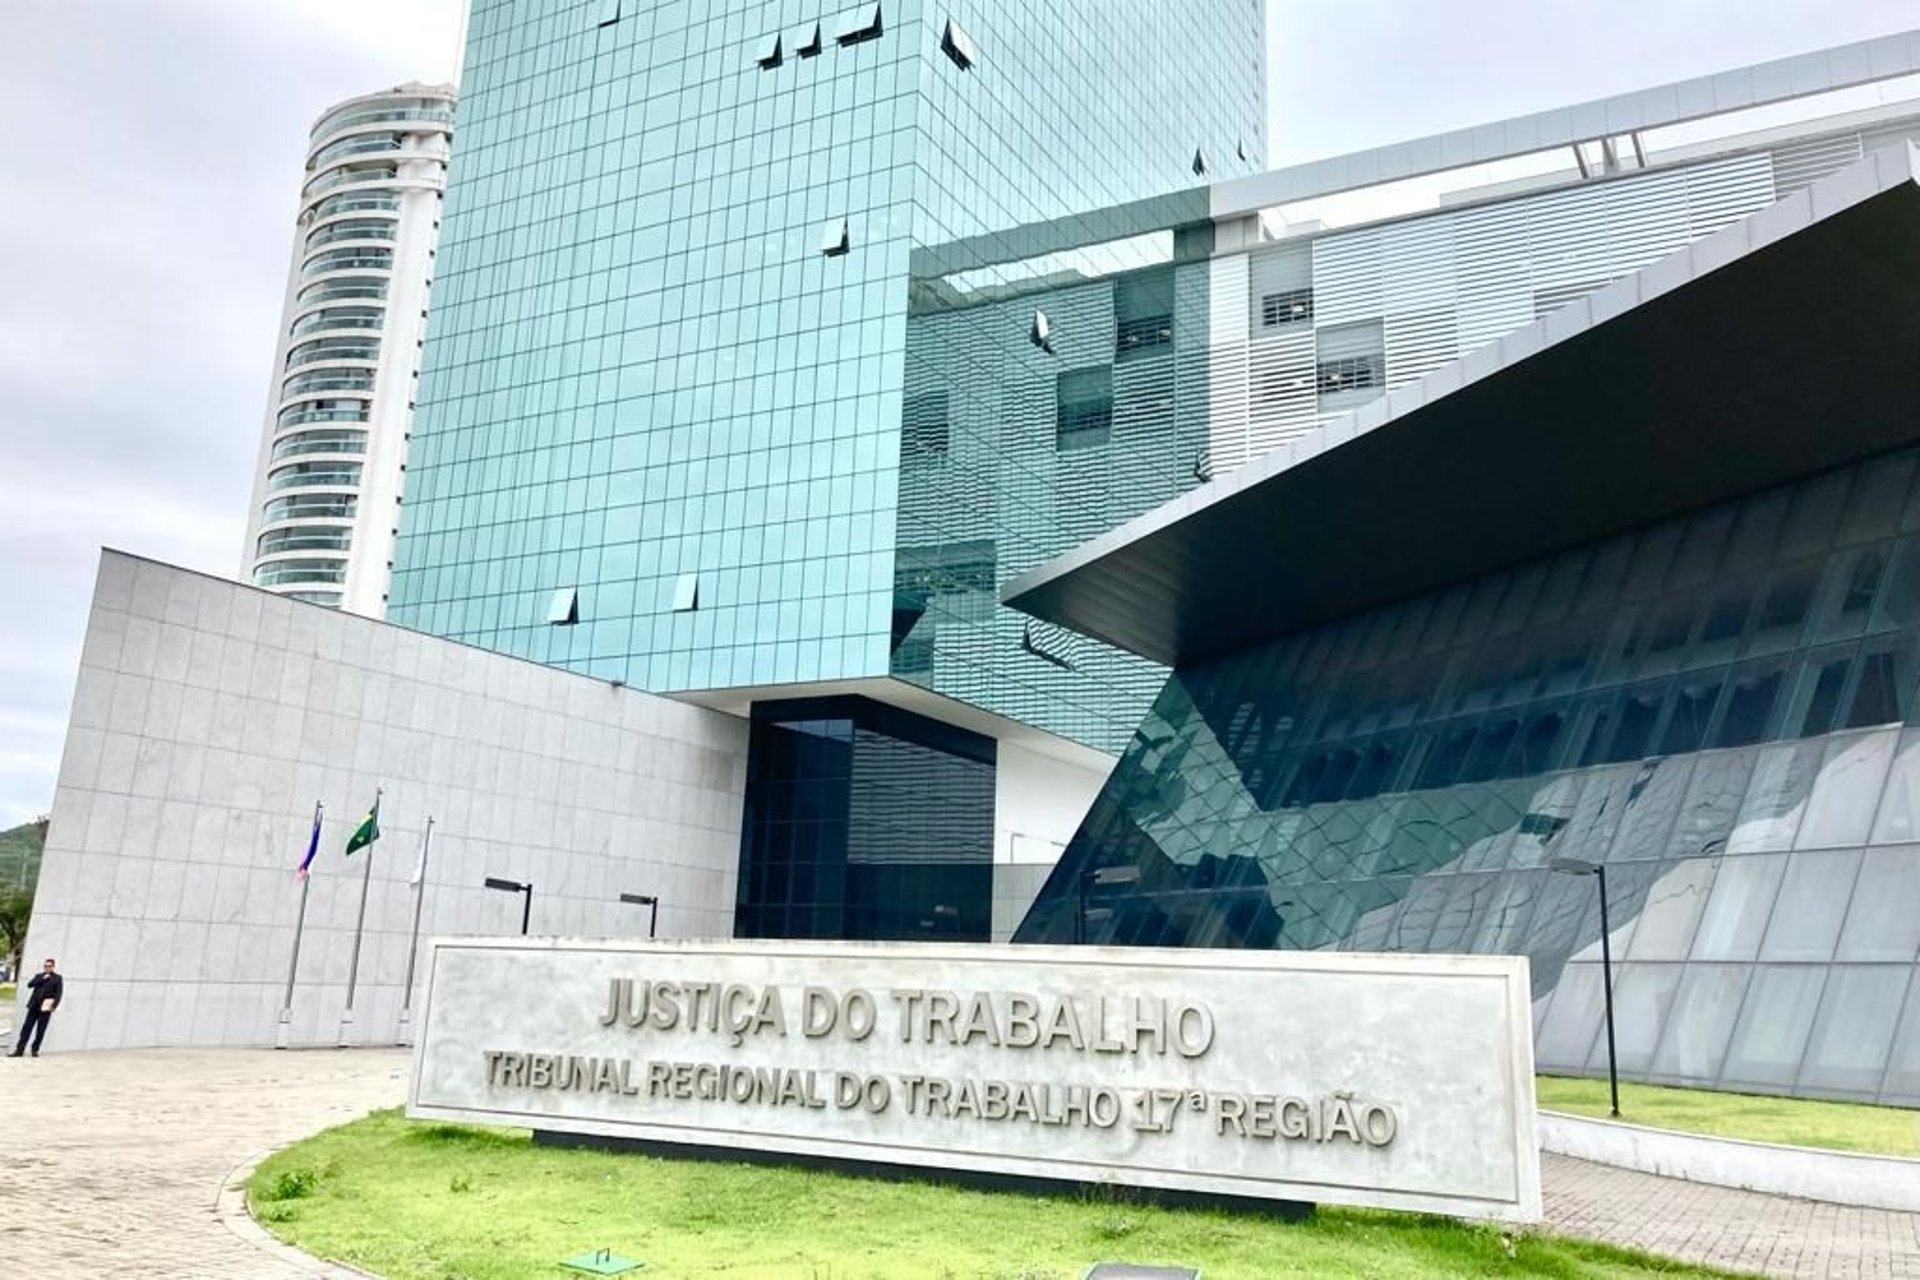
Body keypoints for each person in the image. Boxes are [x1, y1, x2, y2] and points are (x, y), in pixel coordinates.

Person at [10, 958, 63, 1057]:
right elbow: (30, 985)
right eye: (45, 966)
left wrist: (54, 1006)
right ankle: (19, 1050)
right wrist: (42, 979)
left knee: (40, 1030)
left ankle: (35, 1050)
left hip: (45, 1008)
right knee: (26, 1029)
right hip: (34, 1006)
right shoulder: (39, 976)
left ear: (53, 967)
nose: (47, 968)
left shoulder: (58, 978)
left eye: (49, 966)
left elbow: (58, 993)